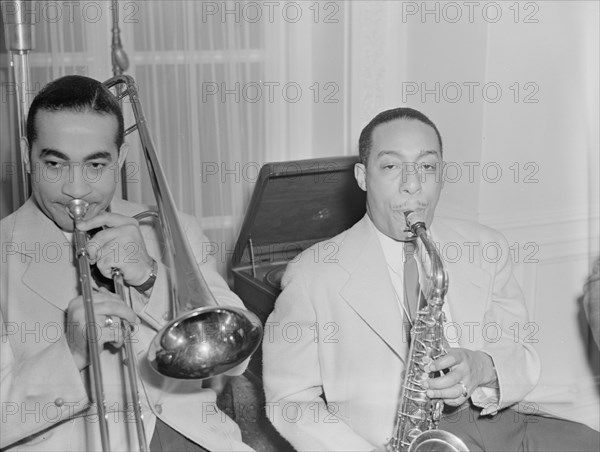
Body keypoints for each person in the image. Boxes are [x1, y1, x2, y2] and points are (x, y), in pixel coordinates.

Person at [262, 107, 600, 451]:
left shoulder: (487, 247)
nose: (412, 185)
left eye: (427, 167)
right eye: (392, 167)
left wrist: (483, 367)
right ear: (363, 177)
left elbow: (520, 352)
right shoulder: (312, 274)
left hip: (500, 421)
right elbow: (289, 400)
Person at [0, 75, 254, 451]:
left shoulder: (171, 227)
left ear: (121, 158)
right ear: (27, 155)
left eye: (96, 165)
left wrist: (152, 278)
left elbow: (235, 359)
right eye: (55, 163)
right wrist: (71, 353)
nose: (76, 189)